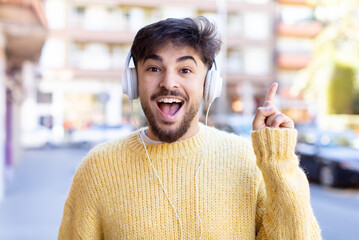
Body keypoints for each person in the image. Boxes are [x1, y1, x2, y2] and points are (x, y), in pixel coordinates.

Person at [58, 17, 321, 239]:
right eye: (153, 68)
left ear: (208, 84)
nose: (168, 82)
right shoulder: (98, 168)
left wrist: (278, 161)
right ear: (133, 81)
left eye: (185, 69)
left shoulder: (249, 160)